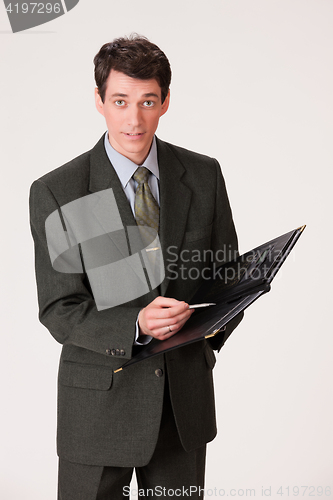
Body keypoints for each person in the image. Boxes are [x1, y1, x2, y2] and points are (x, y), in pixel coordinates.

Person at [29, 34, 242, 499]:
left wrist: (201, 342)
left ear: (165, 101)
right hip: (97, 408)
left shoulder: (203, 176)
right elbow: (60, 307)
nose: (134, 118)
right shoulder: (61, 190)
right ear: (100, 101)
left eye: (147, 101)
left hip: (181, 406)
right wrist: (136, 325)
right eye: (120, 100)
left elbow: (228, 284)